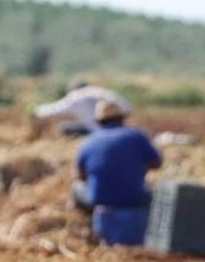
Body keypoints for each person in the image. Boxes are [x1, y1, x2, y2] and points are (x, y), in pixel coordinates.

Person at [74, 100, 162, 246]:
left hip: (102, 202)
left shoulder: (88, 142)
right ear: (121, 119)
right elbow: (157, 163)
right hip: (134, 199)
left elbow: (81, 176)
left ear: (99, 122)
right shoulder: (136, 136)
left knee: (76, 189)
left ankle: (88, 229)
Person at [32, 78, 132, 137]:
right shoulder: (100, 91)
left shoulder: (75, 97)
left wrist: (34, 110)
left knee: (63, 128)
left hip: (96, 132)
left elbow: (54, 109)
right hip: (119, 130)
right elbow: (126, 107)